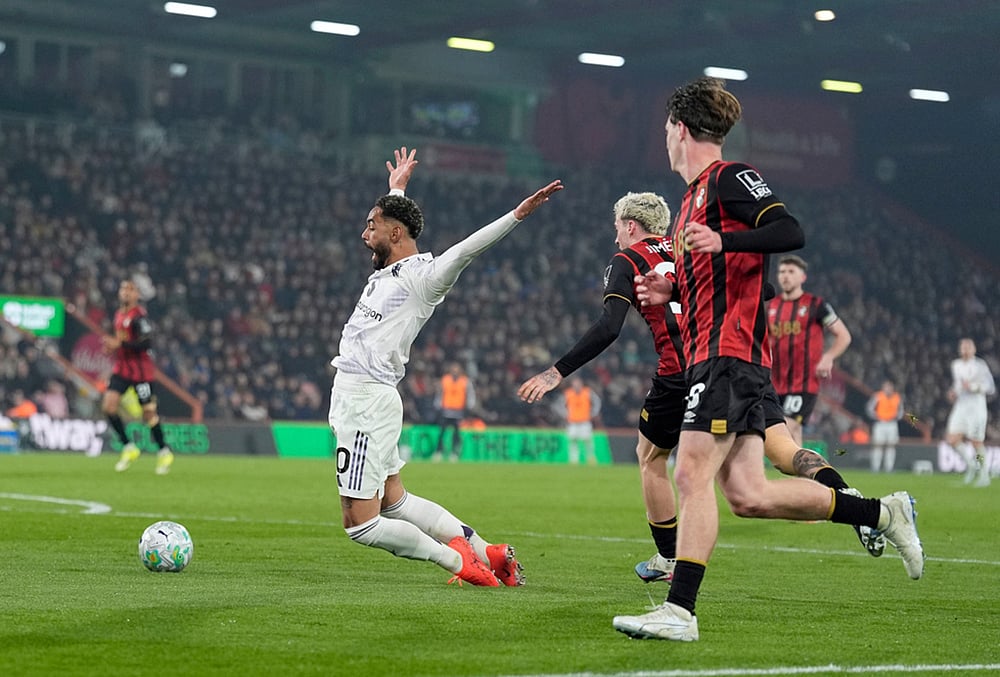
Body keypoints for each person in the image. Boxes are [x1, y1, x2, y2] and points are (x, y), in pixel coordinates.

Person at [613, 77, 924, 642]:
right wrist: (670, 288)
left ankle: (680, 611)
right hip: (718, 355)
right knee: (748, 497)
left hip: (728, 354)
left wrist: (724, 242)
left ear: (680, 130)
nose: (664, 138)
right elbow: (714, 276)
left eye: (665, 128)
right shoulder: (688, 201)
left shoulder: (729, 177)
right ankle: (883, 513)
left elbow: (789, 229)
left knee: (689, 472)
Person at [518, 192, 880, 589]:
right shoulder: (690, 248)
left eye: (617, 227)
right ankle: (853, 501)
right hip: (738, 363)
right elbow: (764, 290)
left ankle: (669, 557)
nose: (615, 235)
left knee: (652, 457)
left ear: (631, 226)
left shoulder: (627, 260)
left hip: (683, 372)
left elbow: (609, 326)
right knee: (783, 452)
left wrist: (557, 371)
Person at [328, 146, 562, 587]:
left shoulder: (425, 278)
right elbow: (394, 221)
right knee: (395, 502)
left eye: (371, 226)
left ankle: (458, 562)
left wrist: (517, 215)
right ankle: (489, 553)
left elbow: (467, 250)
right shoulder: (391, 268)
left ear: (395, 233)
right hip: (363, 398)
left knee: (360, 523)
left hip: (365, 401)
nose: (363, 234)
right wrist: (397, 189)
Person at [767, 255, 852, 445]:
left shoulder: (816, 305)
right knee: (792, 435)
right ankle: (802, 464)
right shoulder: (771, 306)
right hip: (775, 383)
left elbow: (844, 335)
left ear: (802, 277)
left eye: (791, 272)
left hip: (803, 383)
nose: (785, 276)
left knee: (786, 428)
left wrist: (828, 357)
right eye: (782, 272)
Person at [102, 279, 174, 475]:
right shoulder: (118, 315)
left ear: (137, 295)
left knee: (148, 413)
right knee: (108, 406)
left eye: (130, 289)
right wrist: (113, 347)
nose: (125, 292)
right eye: (123, 288)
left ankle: (164, 451)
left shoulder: (139, 317)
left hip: (141, 371)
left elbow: (146, 343)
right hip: (121, 369)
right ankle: (128, 447)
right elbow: (122, 341)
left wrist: (119, 345)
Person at [942, 338, 996, 486]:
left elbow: (990, 387)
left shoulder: (980, 366)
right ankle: (971, 466)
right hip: (961, 407)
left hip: (976, 408)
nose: (965, 350)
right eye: (963, 347)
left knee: (976, 442)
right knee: (952, 439)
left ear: (974, 349)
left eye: (968, 347)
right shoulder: (956, 365)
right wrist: (953, 392)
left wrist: (972, 387)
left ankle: (984, 475)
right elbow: (958, 385)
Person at [432, 361, 474, 462]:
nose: (455, 371)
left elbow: (470, 394)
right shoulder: (445, 380)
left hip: (458, 411)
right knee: (442, 432)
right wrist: (437, 405)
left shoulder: (465, 381)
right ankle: (439, 452)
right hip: (446, 410)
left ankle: (454, 453)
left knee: (456, 434)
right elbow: (440, 393)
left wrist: (469, 406)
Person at [556, 376, 603, 464]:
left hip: (585, 421)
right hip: (572, 422)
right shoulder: (568, 393)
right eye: (575, 384)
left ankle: (591, 458)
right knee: (573, 442)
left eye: (578, 384)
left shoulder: (588, 392)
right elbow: (559, 405)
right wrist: (565, 414)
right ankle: (574, 460)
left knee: (587, 441)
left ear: (581, 384)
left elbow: (597, 402)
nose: (576, 386)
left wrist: (593, 413)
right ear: (572, 385)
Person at [866, 379, 904, 473]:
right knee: (878, 445)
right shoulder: (878, 396)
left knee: (891, 446)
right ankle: (875, 467)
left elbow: (901, 410)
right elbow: (869, 408)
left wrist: (897, 417)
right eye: (886, 387)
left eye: (890, 387)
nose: (888, 389)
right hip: (880, 423)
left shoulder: (897, 397)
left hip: (892, 424)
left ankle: (889, 468)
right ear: (883, 388)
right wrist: (876, 417)